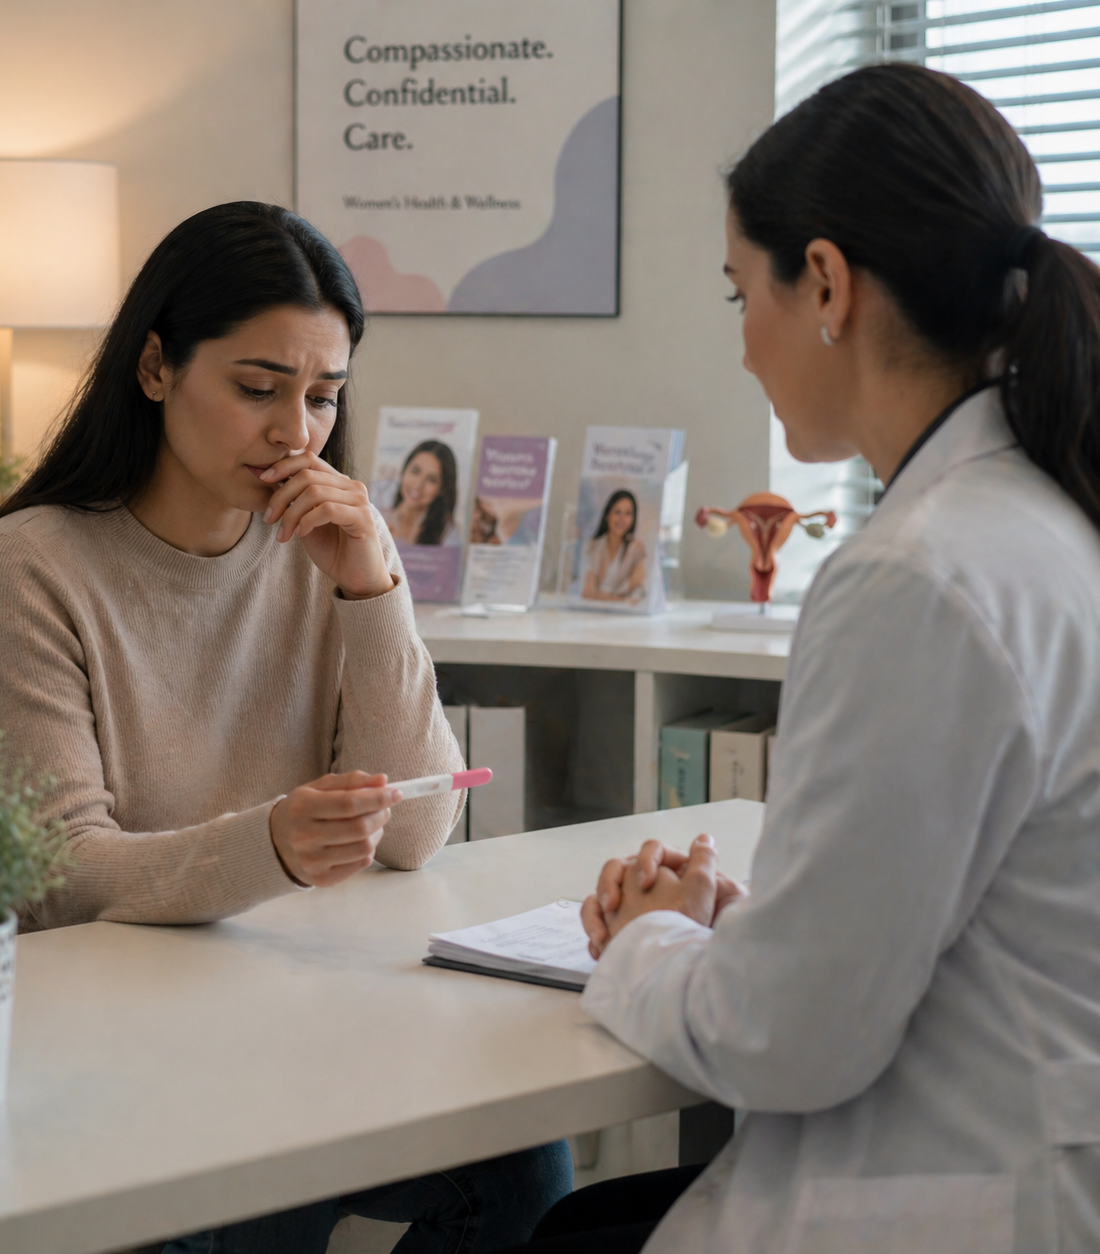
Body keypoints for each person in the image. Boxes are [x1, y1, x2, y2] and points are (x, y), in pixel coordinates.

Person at [521, 63, 1100, 1254]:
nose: (742, 349)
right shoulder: (1046, 519)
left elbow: (786, 1040)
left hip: (954, 1198)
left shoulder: (916, 574)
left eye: (742, 296)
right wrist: (751, 931)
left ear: (826, 283)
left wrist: (645, 945)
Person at [0, 202, 570, 1254]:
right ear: (154, 368)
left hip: (293, 1016)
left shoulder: (324, 542)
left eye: (324, 397)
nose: (296, 432)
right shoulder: (32, 566)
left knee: (528, 1165)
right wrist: (271, 844)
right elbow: (51, 872)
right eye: (257, 388)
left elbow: (419, 830)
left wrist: (373, 589)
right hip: (119, 1053)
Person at [383, 440, 461, 546]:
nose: (419, 485)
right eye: (415, 471)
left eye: (431, 479)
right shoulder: (377, 517)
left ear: (442, 489)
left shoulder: (448, 536)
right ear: (404, 470)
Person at [580, 490, 646, 602]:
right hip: (591, 612)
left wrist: (603, 596)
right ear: (607, 515)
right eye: (617, 512)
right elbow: (588, 592)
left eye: (628, 514)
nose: (622, 519)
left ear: (633, 519)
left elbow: (637, 592)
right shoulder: (592, 546)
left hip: (623, 616)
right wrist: (620, 599)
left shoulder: (637, 551)